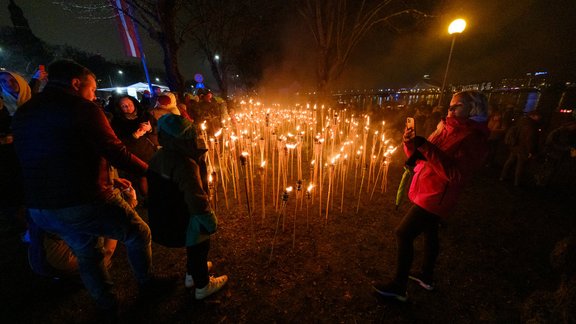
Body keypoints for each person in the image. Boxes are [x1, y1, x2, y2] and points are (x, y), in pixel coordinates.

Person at [12, 59, 163, 316]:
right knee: (138, 233)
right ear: (76, 83)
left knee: (86, 250)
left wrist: (110, 178)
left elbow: (54, 155)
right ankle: (148, 286)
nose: (94, 96)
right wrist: (153, 173)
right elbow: (115, 150)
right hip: (82, 199)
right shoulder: (82, 108)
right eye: (92, 90)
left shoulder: (25, 111)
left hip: (42, 206)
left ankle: (106, 303)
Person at [373, 90, 490, 302]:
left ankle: (399, 287)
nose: (451, 109)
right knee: (430, 232)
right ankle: (426, 276)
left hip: (437, 196)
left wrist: (426, 146)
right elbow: (421, 159)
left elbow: (456, 175)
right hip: (426, 188)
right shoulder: (444, 128)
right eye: (451, 105)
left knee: (403, 234)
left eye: (458, 106)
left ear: (474, 109)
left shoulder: (474, 138)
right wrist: (410, 143)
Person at [147, 114, 228, 300]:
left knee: (193, 248)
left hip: (167, 215)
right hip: (186, 216)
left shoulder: (159, 156)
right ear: (184, 137)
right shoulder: (184, 163)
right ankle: (203, 285)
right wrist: (208, 218)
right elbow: (195, 196)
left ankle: (191, 275)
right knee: (199, 247)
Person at [0, 69, 44, 232]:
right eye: (4, 82)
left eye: (12, 80)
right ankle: (24, 227)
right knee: (15, 191)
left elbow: (31, 90)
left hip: (35, 150)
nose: (8, 84)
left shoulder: (34, 101)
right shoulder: (3, 105)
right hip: (9, 156)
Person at [111, 95, 158, 197]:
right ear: (119, 108)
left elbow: (158, 129)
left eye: (130, 104)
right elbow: (118, 142)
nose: (128, 107)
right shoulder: (117, 122)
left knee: (155, 175)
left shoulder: (145, 115)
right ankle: (148, 199)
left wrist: (150, 129)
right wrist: (134, 135)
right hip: (135, 154)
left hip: (150, 150)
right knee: (142, 176)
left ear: (134, 103)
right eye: (124, 106)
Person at [499, 110, 542, 186]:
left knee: (510, 161)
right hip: (523, 148)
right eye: (537, 116)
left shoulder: (521, 121)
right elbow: (530, 140)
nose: (539, 117)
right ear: (533, 116)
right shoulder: (531, 125)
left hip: (515, 145)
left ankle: (503, 176)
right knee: (520, 165)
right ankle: (517, 182)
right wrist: (530, 151)